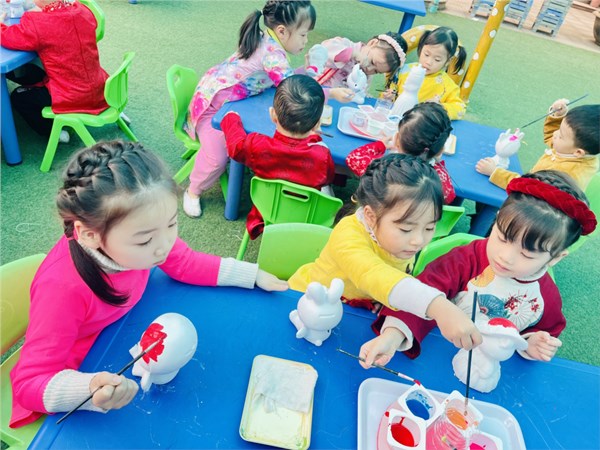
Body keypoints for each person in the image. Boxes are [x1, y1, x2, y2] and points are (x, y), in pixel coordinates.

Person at [9, 141, 288, 428]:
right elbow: (29, 383)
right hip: (85, 366)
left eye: (172, 224)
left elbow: (184, 261)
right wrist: (90, 389)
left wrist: (250, 274)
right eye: (144, 240)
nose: (164, 246)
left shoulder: (145, 232)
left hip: (123, 332)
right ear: (90, 235)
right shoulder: (61, 289)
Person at [365, 170, 596, 366]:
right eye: (502, 238)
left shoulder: (547, 296)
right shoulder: (466, 259)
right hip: (436, 354)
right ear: (497, 221)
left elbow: (545, 331)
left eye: (526, 254)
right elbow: (423, 292)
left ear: (555, 258)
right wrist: (393, 336)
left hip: (487, 369)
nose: (505, 257)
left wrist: (531, 343)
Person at [288, 153, 482, 361]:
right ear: (371, 216)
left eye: (429, 227)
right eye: (406, 229)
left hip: (353, 315)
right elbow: (372, 273)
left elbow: (394, 276)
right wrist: (438, 307)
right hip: (305, 305)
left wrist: (381, 298)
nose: (419, 240)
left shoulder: (401, 242)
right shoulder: (348, 235)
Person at [183, 0, 352, 218]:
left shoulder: (268, 41)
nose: (305, 41)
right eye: (303, 35)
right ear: (282, 31)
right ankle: (193, 191)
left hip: (221, 98)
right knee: (217, 158)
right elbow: (292, 89)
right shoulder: (272, 55)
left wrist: (307, 70)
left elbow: (286, 78)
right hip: (213, 109)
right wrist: (331, 92)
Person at [221, 74, 335, 240]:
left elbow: (236, 148)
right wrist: (316, 140)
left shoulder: (257, 145)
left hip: (267, 212)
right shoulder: (322, 155)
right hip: (306, 218)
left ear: (273, 115)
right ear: (317, 124)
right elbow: (328, 178)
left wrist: (231, 119)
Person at [0, 0, 108, 143]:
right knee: (35, 73)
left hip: (71, 96)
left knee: (19, 97)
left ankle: (51, 131)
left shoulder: (38, 23)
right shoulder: (82, 10)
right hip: (101, 87)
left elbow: (8, 37)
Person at [345, 102, 456, 204]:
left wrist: (380, 145)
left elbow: (354, 158)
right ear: (441, 149)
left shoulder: (381, 169)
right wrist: (437, 163)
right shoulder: (439, 180)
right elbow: (449, 196)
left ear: (397, 139)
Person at [476, 101, 600, 191]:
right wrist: (557, 116)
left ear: (578, 152)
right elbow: (555, 137)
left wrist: (494, 173)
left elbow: (528, 186)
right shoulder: (573, 150)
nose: (555, 133)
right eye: (559, 128)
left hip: (532, 209)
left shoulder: (565, 174)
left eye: (561, 135)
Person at [383, 26, 467, 120]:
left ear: (448, 61)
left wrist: (440, 107)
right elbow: (391, 90)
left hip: (420, 125)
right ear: (421, 48)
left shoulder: (447, 86)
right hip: (394, 118)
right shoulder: (403, 71)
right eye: (426, 54)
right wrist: (388, 96)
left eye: (437, 59)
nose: (428, 62)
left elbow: (460, 109)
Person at [309, 31, 407, 89]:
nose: (369, 69)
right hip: (314, 87)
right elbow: (324, 49)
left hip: (334, 100)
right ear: (372, 43)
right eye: (372, 62)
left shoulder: (366, 75)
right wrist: (353, 54)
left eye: (376, 71)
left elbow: (360, 91)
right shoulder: (346, 45)